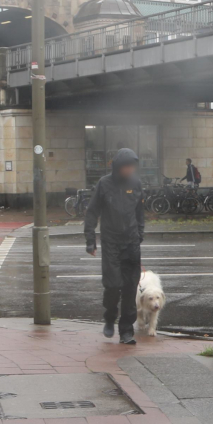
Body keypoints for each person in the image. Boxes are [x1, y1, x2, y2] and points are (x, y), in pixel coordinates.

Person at [84, 148, 145, 345]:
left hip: (131, 243)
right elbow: (92, 211)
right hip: (111, 242)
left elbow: (140, 212)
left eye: (131, 166)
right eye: (126, 166)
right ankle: (110, 316)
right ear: (117, 166)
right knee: (113, 285)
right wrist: (90, 239)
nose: (129, 170)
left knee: (129, 288)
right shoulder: (104, 184)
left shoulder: (136, 184)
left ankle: (126, 331)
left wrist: (139, 235)